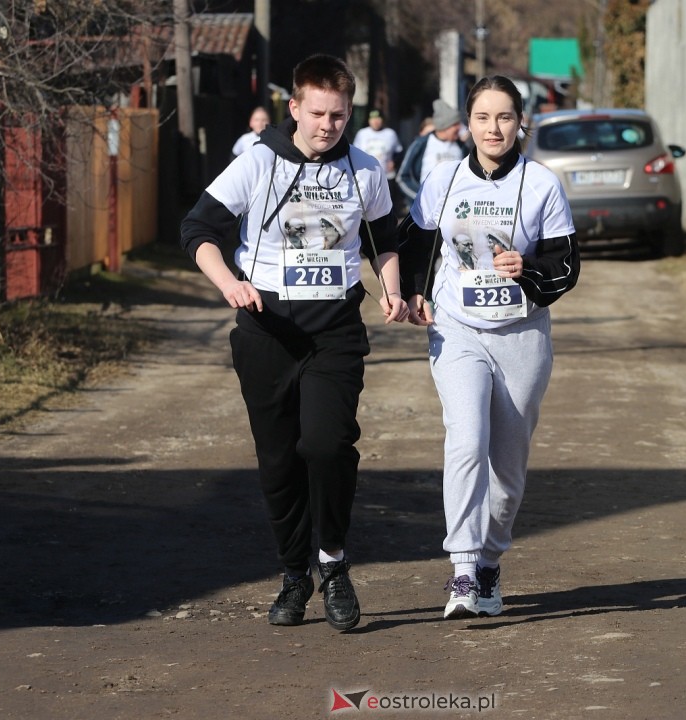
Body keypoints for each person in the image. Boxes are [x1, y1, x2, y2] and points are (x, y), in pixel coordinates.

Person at [180, 54, 409, 632]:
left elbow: (384, 239)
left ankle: (332, 562)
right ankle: (293, 575)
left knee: (327, 446)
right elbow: (198, 229)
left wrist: (391, 290)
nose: (328, 125)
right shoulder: (258, 163)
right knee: (279, 461)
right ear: (294, 108)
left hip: (334, 331)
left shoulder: (364, 170)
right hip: (267, 331)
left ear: (350, 112)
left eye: (338, 114)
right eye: (317, 113)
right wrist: (230, 282)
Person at [398, 76, 580, 620]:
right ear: (467, 123)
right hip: (458, 329)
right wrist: (413, 292)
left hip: (522, 336)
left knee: (507, 465)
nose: (493, 128)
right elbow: (414, 241)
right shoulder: (444, 178)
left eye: (504, 117)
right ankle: (462, 568)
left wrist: (528, 270)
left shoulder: (542, 184)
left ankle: (491, 562)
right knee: (466, 440)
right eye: (482, 117)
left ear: (520, 121)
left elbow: (566, 265)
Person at [396, 98, 469, 207]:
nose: (459, 128)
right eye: (455, 124)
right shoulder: (421, 144)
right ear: (445, 126)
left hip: (453, 209)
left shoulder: (461, 146)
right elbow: (402, 177)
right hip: (425, 211)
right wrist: (420, 197)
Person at [353, 109, 403, 186]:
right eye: (373, 118)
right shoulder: (362, 133)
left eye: (378, 118)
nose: (375, 121)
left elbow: (399, 151)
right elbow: (354, 152)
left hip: (386, 176)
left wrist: (394, 162)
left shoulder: (390, 133)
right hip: (366, 176)